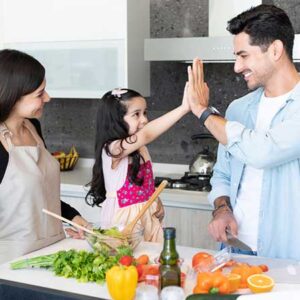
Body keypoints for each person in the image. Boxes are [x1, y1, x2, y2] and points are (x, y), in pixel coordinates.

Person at [187, 4, 300, 260]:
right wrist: (222, 209)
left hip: (288, 256)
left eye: (244, 55)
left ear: (275, 50)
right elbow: (223, 175)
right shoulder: (238, 109)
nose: (237, 67)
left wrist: (204, 113)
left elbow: (262, 151)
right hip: (235, 251)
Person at [0, 49, 89, 264]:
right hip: (11, 264)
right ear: (12, 96)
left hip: (52, 253)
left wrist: (74, 218)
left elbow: (38, 193)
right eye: (40, 94)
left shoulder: (33, 127)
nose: (47, 98)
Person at [85, 87, 190, 242]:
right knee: (126, 264)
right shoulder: (112, 149)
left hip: (147, 217)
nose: (144, 120)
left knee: (151, 261)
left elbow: (143, 185)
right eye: (136, 114)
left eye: (145, 113)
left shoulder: (141, 149)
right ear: (117, 120)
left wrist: (154, 200)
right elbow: (146, 134)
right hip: (124, 222)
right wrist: (184, 108)